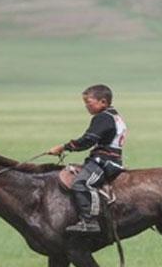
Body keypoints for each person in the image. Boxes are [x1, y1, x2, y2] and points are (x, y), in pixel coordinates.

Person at [48, 84, 127, 233]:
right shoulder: (114, 116)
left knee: (81, 183)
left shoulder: (103, 117)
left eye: (89, 103)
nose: (86, 107)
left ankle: (89, 221)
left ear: (103, 102)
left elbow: (88, 140)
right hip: (105, 159)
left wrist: (64, 147)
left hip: (105, 162)